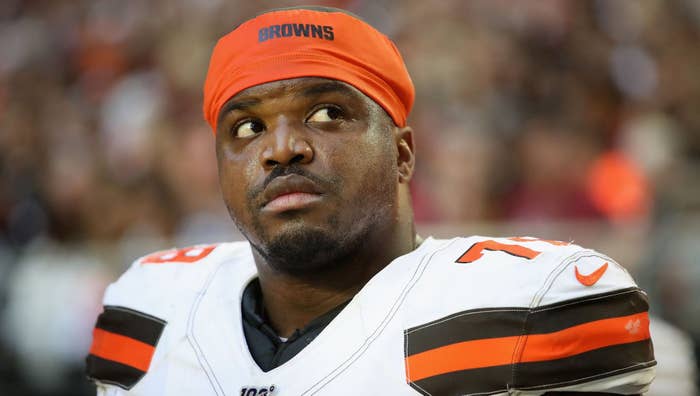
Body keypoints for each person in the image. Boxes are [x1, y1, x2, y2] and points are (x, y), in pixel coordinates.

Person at [85, 6, 655, 395]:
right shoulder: (154, 311)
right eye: (247, 127)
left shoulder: (525, 310)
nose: (281, 148)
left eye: (328, 114)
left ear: (404, 154)